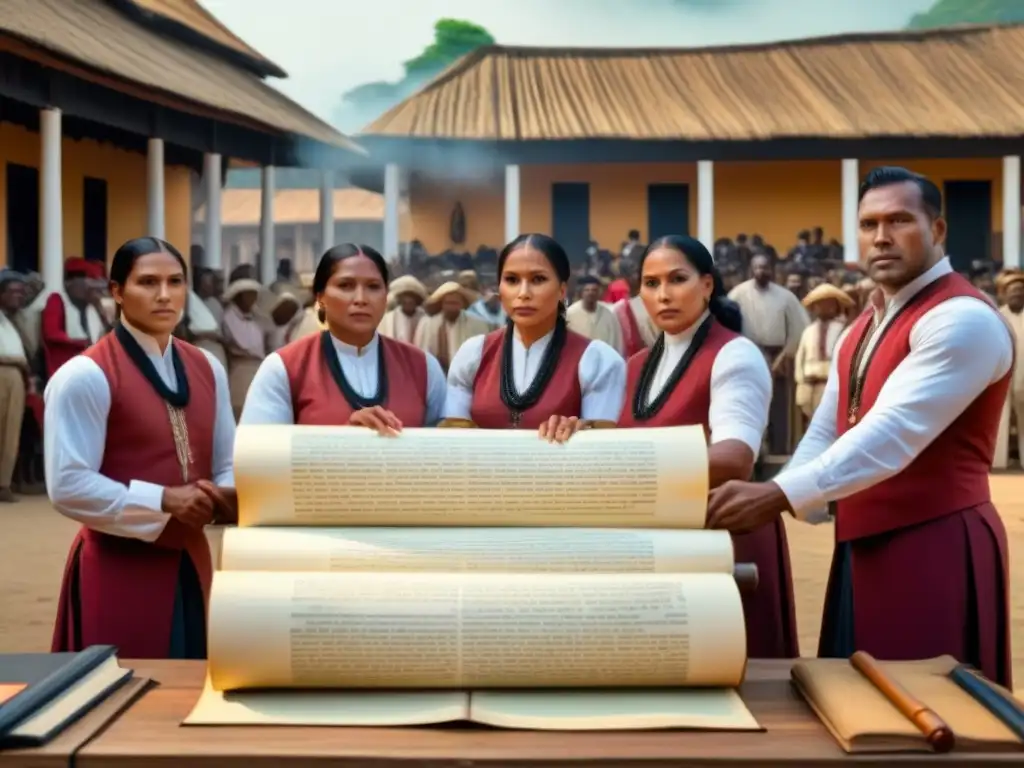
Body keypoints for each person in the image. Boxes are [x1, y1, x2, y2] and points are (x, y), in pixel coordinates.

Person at [707, 167, 1014, 687]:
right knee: (857, 705)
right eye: (869, 224)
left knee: (930, 711)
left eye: (899, 220)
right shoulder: (866, 325)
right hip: (862, 542)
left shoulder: (962, 319)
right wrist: (788, 494)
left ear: (937, 231)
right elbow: (827, 428)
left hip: (935, 540)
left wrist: (778, 494)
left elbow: (890, 435)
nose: (882, 237)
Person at [47, 237, 237, 659]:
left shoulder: (208, 368)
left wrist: (225, 494)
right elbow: (68, 484)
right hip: (119, 566)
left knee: (192, 689)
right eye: (148, 282)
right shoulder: (85, 375)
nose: (165, 295)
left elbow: (227, 461)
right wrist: (165, 500)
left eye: (175, 281)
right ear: (117, 291)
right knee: (122, 699)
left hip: (191, 558)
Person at [617, 235, 795, 658]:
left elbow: (735, 457)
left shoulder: (735, 354)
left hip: (725, 534)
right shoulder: (636, 365)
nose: (663, 295)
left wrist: (624, 473)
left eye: (677, 279)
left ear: (708, 285)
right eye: (651, 283)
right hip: (660, 537)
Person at [240, 244, 446, 431]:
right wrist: (344, 440)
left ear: (385, 297)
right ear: (320, 297)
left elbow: (445, 452)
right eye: (345, 285)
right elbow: (256, 457)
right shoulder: (284, 368)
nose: (361, 299)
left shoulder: (424, 368)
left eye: (373, 287)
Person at [443, 233, 626, 442]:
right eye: (511, 280)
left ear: (562, 290)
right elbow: (454, 443)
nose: (523, 293)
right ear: (500, 290)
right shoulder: (472, 355)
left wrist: (581, 432)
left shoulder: (597, 361)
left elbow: (602, 451)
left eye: (538, 279)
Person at [728, 254, 809, 455]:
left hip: (779, 356)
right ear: (750, 270)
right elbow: (727, 325)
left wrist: (784, 355)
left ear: (772, 270)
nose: (761, 271)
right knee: (749, 403)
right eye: (757, 267)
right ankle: (752, 452)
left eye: (765, 267)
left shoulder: (786, 297)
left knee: (778, 406)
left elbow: (800, 329)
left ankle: (779, 450)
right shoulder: (737, 294)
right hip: (747, 355)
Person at [794, 284, 854, 422]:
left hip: (833, 386)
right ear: (814, 307)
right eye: (820, 304)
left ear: (837, 306)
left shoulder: (844, 330)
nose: (824, 308)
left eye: (829, 304)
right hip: (809, 387)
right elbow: (800, 359)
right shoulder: (808, 331)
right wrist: (801, 383)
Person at [40, 257, 107, 378]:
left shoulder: (92, 308)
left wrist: (100, 310)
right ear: (71, 283)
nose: (95, 289)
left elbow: (106, 337)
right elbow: (52, 333)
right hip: (64, 370)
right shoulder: (57, 300)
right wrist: (82, 345)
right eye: (91, 282)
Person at [414, 282, 491, 372]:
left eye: (455, 303)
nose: (451, 307)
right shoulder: (428, 324)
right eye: (448, 303)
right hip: (436, 372)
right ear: (441, 304)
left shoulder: (477, 324)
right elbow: (421, 352)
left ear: (462, 304)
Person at [995, 271, 1024, 469]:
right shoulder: (996, 315)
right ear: (1004, 294)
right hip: (1003, 375)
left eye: (1020, 291)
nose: (1016, 294)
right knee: (999, 418)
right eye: (1012, 291)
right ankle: (998, 463)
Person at [566, 275, 625, 355]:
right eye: (587, 290)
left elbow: (617, 343)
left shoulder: (608, 315)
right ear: (581, 293)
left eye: (594, 290)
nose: (591, 293)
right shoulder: (570, 314)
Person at [378, 275, 428, 344]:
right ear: (400, 301)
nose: (408, 301)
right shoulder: (388, 319)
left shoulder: (425, 319)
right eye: (405, 301)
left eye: (411, 301)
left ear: (417, 301)